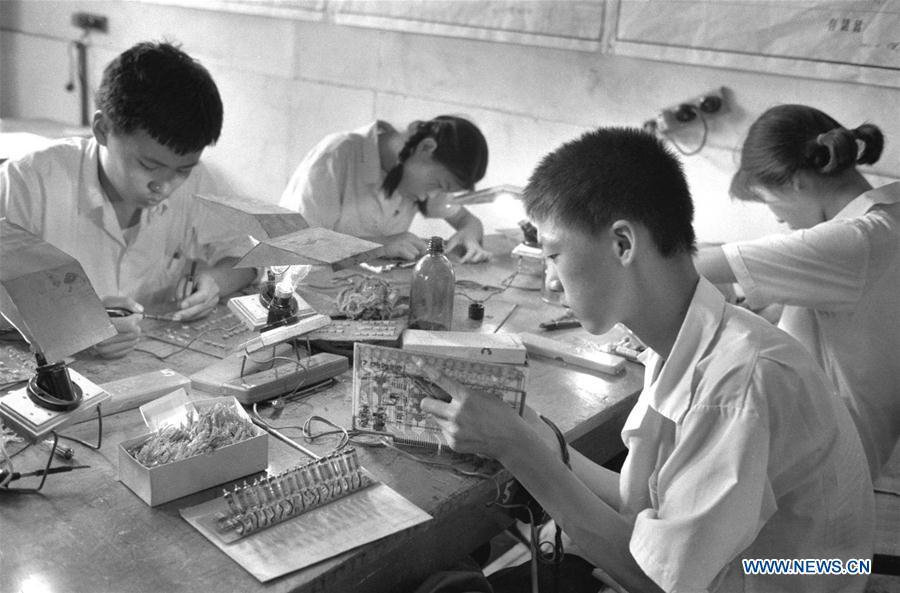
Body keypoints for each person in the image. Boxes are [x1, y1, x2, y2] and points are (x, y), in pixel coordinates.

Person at [417, 127, 873, 592]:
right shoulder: (687, 340)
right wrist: (536, 432)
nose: (551, 280)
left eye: (554, 254)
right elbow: (643, 504)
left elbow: (655, 580)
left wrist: (515, 446)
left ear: (623, 244)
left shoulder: (736, 383)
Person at [0, 41, 256, 359]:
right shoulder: (28, 182)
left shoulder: (196, 181)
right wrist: (75, 324)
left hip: (153, 360)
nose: (164, 186)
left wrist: (215, 282)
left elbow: (249, 257)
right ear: (102, 129)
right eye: (148, 166)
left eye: (182, 170)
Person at [695, 104, 900, 480]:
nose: (777, 218)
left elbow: (696, 267)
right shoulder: (889, 214)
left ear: (796, 182)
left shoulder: (852, 241)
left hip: (827, 459)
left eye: (770, 201)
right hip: (855, 447)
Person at [279, 116, 491, 263]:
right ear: (426, 147)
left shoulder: (414, 172)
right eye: (439, 185)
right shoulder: (337, 155)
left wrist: (469, 236)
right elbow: (295, 245)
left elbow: (469, 221)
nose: (433, 196)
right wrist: (379, 247)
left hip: (365, 292)